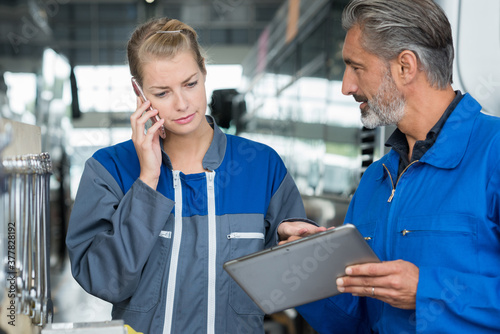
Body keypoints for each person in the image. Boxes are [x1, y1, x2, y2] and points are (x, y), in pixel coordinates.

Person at [66, 18, 322, 334]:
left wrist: (289, 245)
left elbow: (293, 285)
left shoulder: (261, 166)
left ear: (203, 70)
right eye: (162, 93)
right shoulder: (109, 169)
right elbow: (104, 281)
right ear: (139, 93)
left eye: (190, 83)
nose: (183, 104)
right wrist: (147, 179)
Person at [292, 0, 500, 333]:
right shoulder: (377, 178)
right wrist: (305, 269)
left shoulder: (493, 152)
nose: (346, 86)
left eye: (356, 67)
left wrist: (427, 291)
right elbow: (354, 320)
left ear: (405, 66)